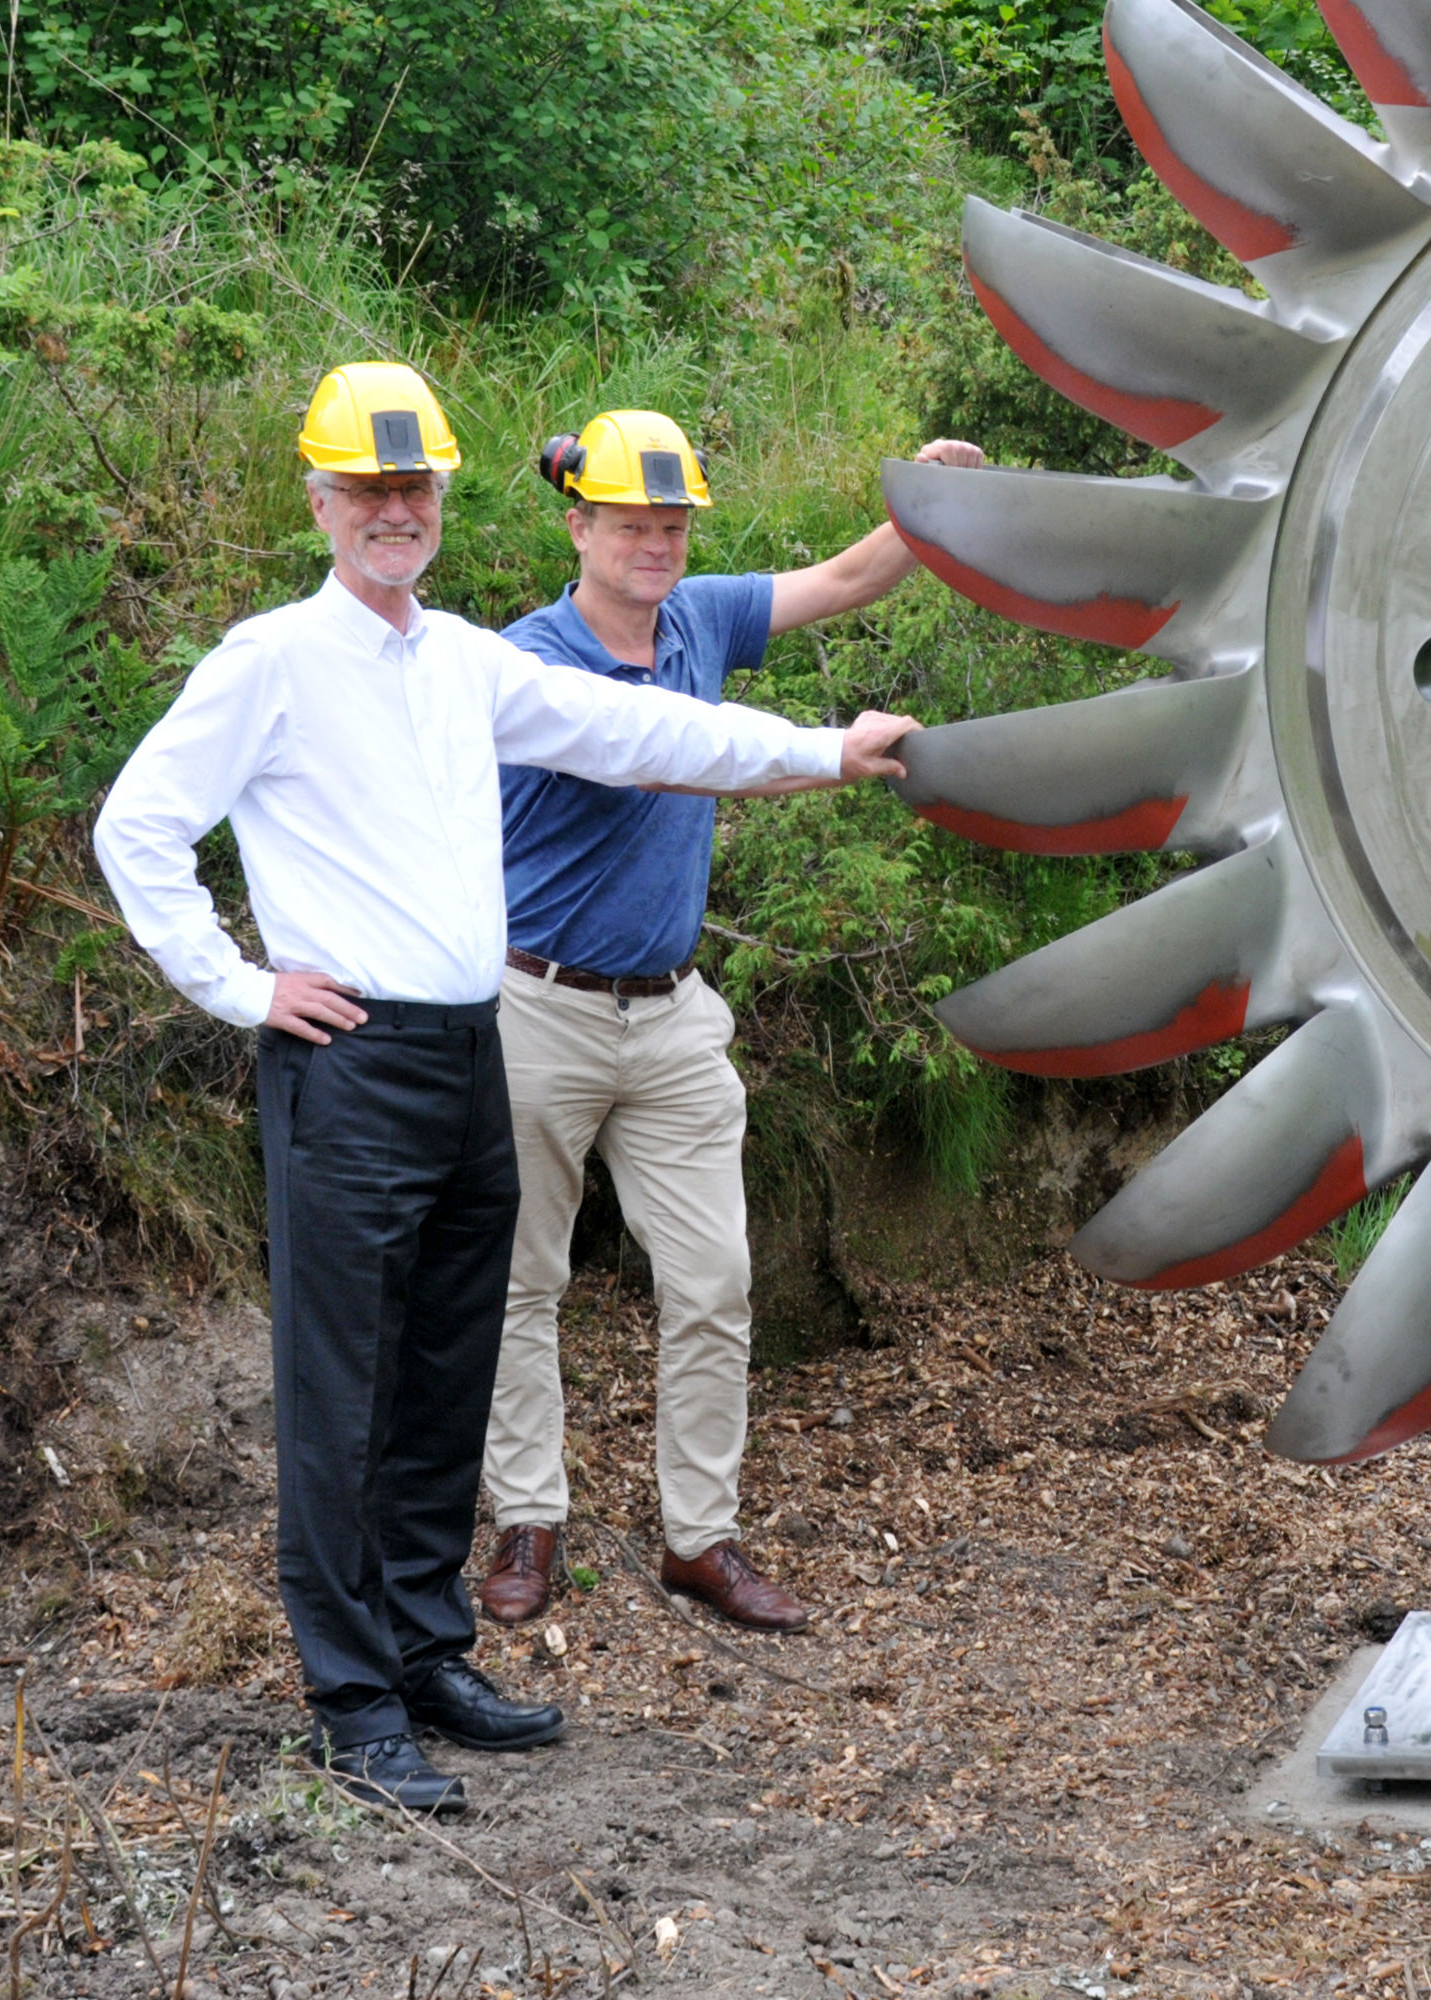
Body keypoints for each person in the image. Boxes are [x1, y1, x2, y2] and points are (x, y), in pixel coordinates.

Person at [92, 363, 919, 1816]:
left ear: (440, 499)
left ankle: (426, 1655)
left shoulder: (465, 661)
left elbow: (643, 734)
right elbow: (138, 826)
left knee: (447, 1370)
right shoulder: (269, 660)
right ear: (321, 501)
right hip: (351, 1060)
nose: (395, 511)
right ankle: (354, 1704)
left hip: (474, 1052)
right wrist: (239, 985)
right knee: (343, 1393)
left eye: (414, 488)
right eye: (368, 489)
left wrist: (822, 753)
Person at [465, 413, 985, 1635]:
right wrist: (830, 752)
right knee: (519, 1280)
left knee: (713, 1281)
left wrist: (930, 507)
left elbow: (846, 580)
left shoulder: (697, 615)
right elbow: (664, 756)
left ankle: (699, 1539)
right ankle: (527, 1520)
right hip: (536, 1007)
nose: (655, 543)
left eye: (673, 523)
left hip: (672, 1015)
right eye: (631, 523)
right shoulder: (530, 658)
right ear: (578, 525)